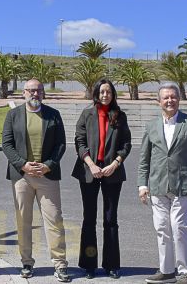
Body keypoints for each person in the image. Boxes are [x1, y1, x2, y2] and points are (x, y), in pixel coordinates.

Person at [138, 82, 187, 284]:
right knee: (162, 228)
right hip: (157, 186)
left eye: (173, 96)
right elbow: (144, 159)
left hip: (184, 185)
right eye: (166, 97)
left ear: (179, 99)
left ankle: (186, 271)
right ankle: (167, 270)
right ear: (158, 101)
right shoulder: (151, 126)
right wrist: (142, 185)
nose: (170, 100)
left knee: (179, 228)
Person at [2, 78, 71, 282]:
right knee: (24, 221)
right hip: (22, 177)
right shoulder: (13, 115)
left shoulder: (53, 115)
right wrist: (22, 164)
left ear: (43, 93)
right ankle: (26, 262)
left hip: (47, 176)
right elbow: (7, 144)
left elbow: (60, 144)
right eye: (31, 90)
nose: (35, 94)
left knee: (54, 220)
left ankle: (60, 264)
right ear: (24, 93)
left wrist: (49, 164)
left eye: (38, 90)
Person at [71, 79, 131, 280]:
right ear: (96, 94)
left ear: (113, 94)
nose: (105, 95)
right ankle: (89, 264)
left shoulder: (120, 116)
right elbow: (79, 141)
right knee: (89, 218)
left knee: (110, 219)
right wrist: (91, 164)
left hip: (112, 172)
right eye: (102, 92)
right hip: (90, 171)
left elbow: (126, 143)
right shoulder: (87, 114)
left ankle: (111, 264)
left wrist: (115, 163)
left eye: (109, 92)